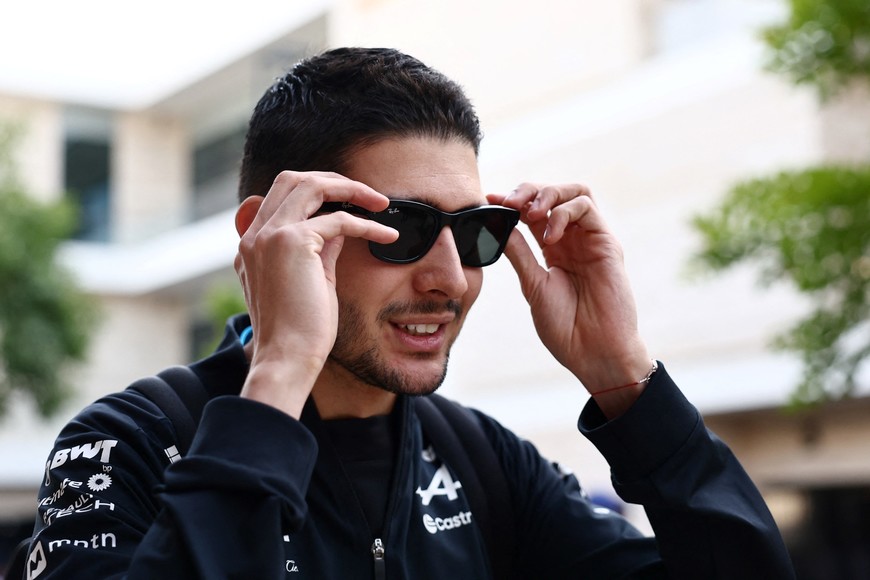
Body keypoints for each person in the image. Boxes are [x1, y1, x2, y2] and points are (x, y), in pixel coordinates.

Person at [22, 47, 795, 579]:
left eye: (474, 231)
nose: (450, 277)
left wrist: (626, 379)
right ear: (269, 233)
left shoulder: (483, 463)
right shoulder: (127, 445)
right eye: (401, 230)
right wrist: (281, 370)